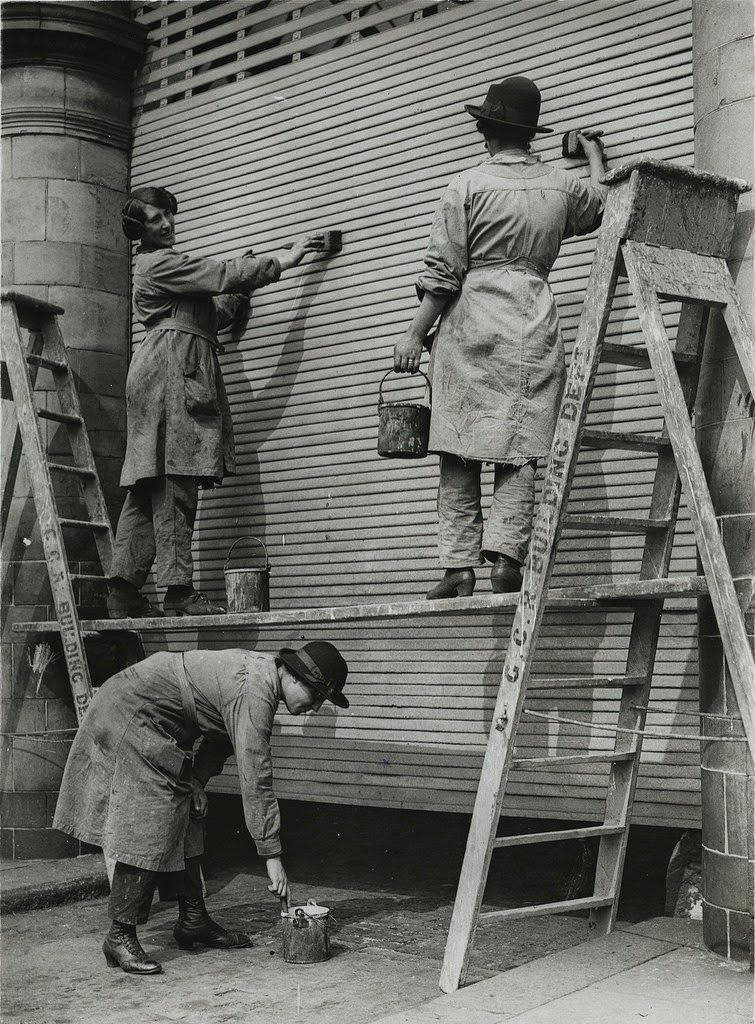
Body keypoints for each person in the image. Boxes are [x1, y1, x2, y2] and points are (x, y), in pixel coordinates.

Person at [394, 76, 608, 598]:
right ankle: (506, 558)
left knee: (457, 448)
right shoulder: (559, 186)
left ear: (485, 130)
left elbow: (444, 274)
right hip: (532, 321)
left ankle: (459, 567)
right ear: (530, 134)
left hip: (472, 322)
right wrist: (595, 153)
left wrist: (414, 335)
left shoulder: (464, 186)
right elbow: (603, 203)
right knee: (522, 446)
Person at [53, 640, 349, 975]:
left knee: (188, 809)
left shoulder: (262, 677)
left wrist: (197, 779)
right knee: (151, 819)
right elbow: (256, 777)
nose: (315, 707)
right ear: (295, 679)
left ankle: (193, 919)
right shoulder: (255, 691)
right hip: (130, 712)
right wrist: (272, 856)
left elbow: (219, 733)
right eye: (317, 697)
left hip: (152, 718)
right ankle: (119, 934)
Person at [108, 185, 325, 618]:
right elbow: (224, 273)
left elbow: (213, 313)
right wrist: (285, 258)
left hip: (163, 372)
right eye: (155, 219)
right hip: (170, 375)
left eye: (169, 214)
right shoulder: (160, 262)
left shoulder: (165, 276)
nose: (167, 224)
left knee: (151, 484)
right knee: (176, 482)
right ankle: (178, 591)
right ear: (139, 229)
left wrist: (241, 289)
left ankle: (121, 589)